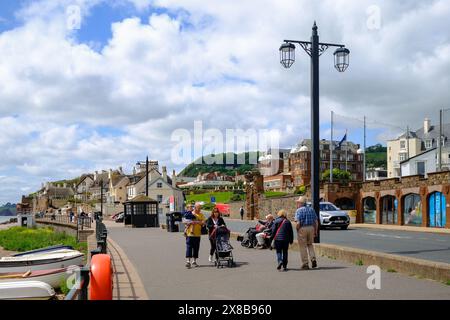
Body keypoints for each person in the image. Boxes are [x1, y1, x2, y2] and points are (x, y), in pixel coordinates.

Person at [295, 196, 319, 270]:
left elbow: (298, 223)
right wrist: (315, 231)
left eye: (298, 202)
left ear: (301, 203)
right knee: (310, 244)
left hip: (302, 228)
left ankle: (305, 264)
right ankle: (313, 259)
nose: (297, 204)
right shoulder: (311, 209)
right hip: (311, 228)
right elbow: (316, 222)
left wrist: (297, 229)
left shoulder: (299, 211)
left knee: (303, 247)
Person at [182, 203, 206, 268]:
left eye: (200, 208)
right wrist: (190, 222)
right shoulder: (190, 213)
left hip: (198, 234)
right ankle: (188, 261)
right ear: (195, 208)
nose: (200, 209)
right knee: (189, 247)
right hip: (189, 234)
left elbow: (204, 222)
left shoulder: (201, 214)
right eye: (199, 208)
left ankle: (194, 261)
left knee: (196, 248)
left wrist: (197, 222)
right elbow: (184, 221)